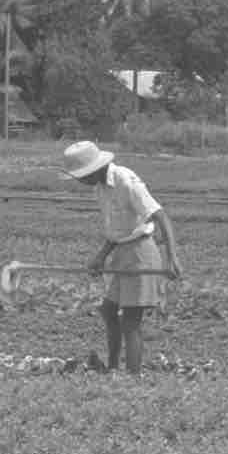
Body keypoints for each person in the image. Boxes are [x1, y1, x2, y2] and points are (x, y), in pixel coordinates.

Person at [61, 140, 184, 375]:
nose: (80, 181)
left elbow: (161, 216)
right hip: (122, 253)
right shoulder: (100, 188)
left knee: (131, 321)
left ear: (95, 169)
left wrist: (172, 258)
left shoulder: (126, 181)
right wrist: (101, 257)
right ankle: (113, 368)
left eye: (81, 176)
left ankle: (132, 378)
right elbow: (118, 230)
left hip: (141, 254)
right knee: (108, 311)